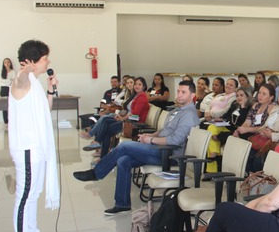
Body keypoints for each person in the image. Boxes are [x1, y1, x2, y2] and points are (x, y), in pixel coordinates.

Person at [72, 81, 199, 215]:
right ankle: (122, 204)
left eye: (183, 92)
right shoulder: (176, 110)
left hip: (169, 154)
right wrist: (150, 135)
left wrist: (150, 140)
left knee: (125, 146)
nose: (179, 95)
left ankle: (97, 173)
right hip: (159, 148)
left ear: (192, 95)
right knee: (123, 161)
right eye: (178, 91)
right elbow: (164, 131)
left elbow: (176, 140)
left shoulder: (189, 115)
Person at [9, 40, 59, 232]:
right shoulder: (22, 81)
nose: (48, 61)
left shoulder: (36, 83)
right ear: (32, 61)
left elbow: (45, 110)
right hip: (27, 149)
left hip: (38, 149)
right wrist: (23, 72)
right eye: (44, 58)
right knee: (25, 196)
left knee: (34, 194)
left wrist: (51, 89)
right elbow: (19, 81)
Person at [205, 86, 253, 169]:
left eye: (242, 95)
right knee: (211, 128)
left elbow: (243, 122)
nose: (239, 98)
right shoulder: (234, 104)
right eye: (237, 95)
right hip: (228, 126)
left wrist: (243, 107)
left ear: (247, 96)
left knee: (218, 135)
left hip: (238, 130)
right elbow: (227, 115)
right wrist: (221, 119)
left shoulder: (250, 107)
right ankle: (214, 153)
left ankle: (213, 165)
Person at [0, 57, 15, 125]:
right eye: (5, 62)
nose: (7, 63)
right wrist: (9, 80)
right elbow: (1, 82)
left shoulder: (13, 71)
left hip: (11, 89)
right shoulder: (1, 71)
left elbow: (14, 81)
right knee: (4, 106)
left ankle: (11, 121)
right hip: (3, 89)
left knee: (11, 105)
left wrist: (8, 81)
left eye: (8, 62)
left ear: (10, 63)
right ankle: (6, 122)